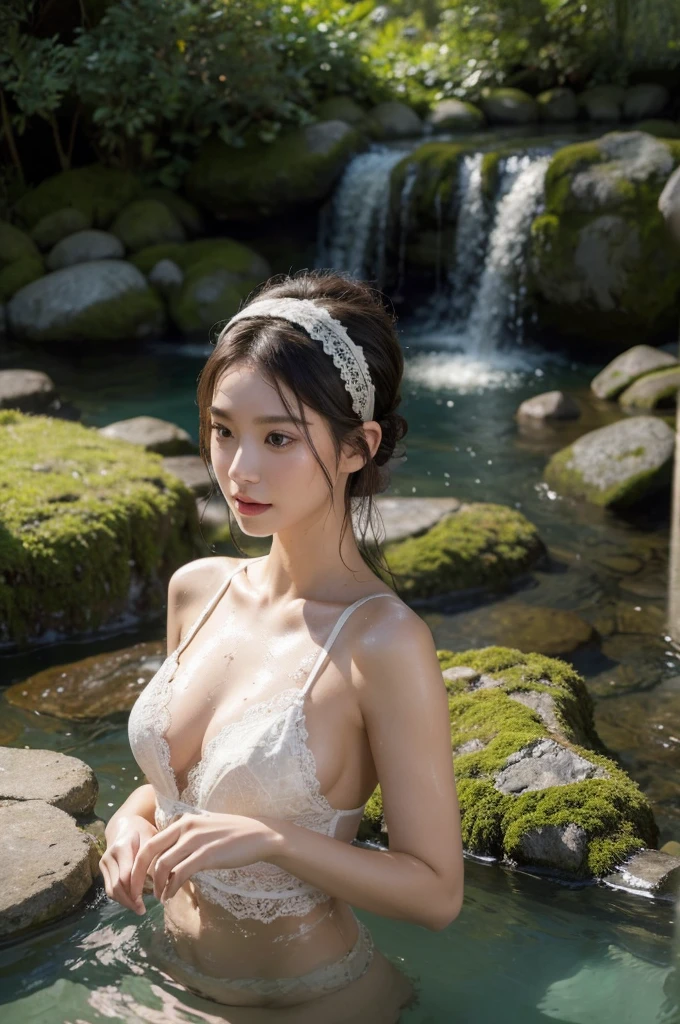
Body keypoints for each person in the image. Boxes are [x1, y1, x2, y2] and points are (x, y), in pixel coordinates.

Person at [99, 269, 464, 1022]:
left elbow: (437, 895)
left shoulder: (383, 642)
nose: (239, 469)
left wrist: (273, 840)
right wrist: (128, 824)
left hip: (309, 1003)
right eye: (224, 430)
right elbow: (182, 794)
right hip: (161, 979)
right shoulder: (197, 591)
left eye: (278, 438)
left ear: (358, 448)